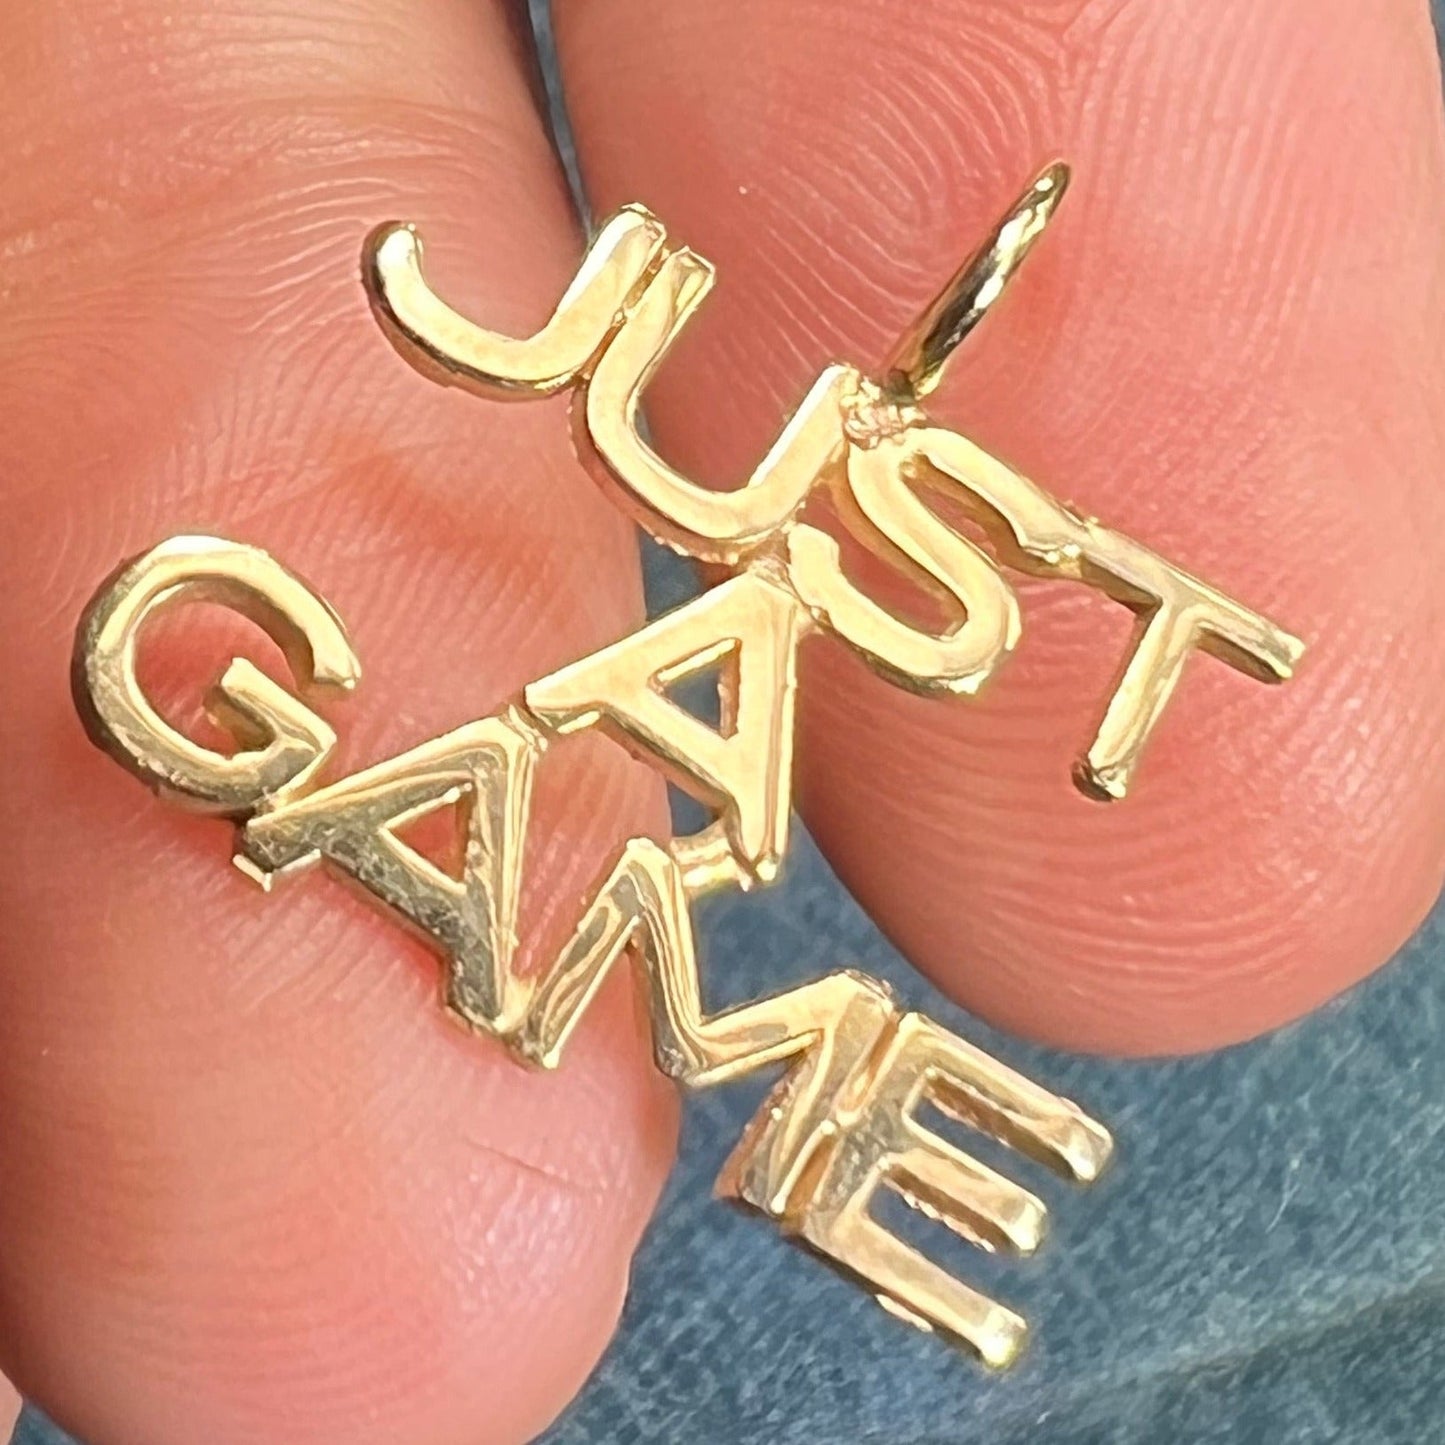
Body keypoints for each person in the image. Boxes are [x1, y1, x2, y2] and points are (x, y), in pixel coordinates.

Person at [1, 1, 1442, 1442]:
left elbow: (981, 572)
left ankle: (748, 1057)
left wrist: (1120, 589)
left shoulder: (852, 539)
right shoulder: (775, 528)